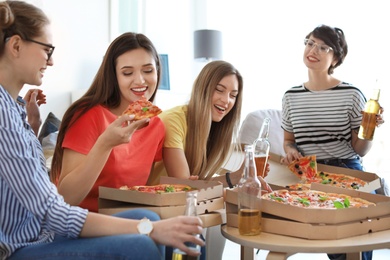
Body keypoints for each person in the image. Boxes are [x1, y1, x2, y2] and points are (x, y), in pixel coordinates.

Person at [0, 1, 203, 259]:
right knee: (143, 239)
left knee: (161, 221)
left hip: (42, 233)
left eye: (148, 70)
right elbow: (57, 209)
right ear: (16, 46)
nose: (51, 61)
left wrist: (31, 127)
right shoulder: (4, 115)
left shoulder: (15, 109)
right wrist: (150, 229)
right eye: (47, 49)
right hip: (23, 245)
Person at [280, 24, 385, 260]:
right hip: (309, 174)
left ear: (336, 57)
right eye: (309, 43)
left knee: (349, 244)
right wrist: (291, 152)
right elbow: (288, 141)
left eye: (323, 47)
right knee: (333, 244)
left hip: (345, 170)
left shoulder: (352, 94)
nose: (313, 50)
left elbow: (360, 150)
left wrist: (368, 130)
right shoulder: (290, 96)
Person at [50, 32, 165, 213]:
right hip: (79, 223)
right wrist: (105, 144)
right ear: (114, 76)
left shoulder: (157, 125)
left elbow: (142, 192)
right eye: (127, 73)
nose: (140, 80)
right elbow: (65, 198)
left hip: (124, 219)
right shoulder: (88, 115)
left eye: (148, 70)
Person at [149, 60, 272, 190]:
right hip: (148, 202)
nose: (226, 100)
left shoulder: (212, 128)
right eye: (219, 90)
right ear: (202, 89)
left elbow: (197, 184)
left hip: (177, 202)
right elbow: (183, 186)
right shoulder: (173, 121)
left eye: (233, 95)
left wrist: (238, 176)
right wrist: (235, 185)